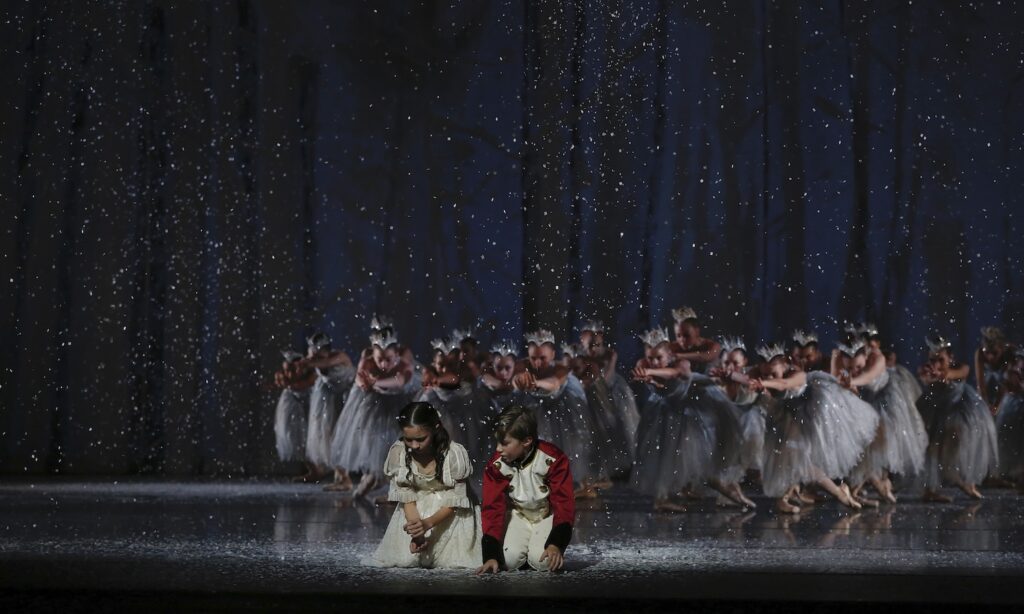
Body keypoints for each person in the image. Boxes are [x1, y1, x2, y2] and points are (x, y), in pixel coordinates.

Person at [750, 343, 878, 514]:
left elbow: (782, 384)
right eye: (765, 374)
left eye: (773, 374)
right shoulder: (759, 375)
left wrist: (764, 383)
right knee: (790, 460)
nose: (768, 377)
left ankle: (833, 493)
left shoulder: (797, 375)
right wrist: (731, 375)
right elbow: (747, 379)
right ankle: (793, 495)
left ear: (785, 366)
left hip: (806, 415)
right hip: (783, 416)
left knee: (798, 460)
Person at [365, 402, 481, 568]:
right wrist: (416, 530)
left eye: (420, 439)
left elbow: (456, 500)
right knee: (406, 560)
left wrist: (428, 523)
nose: (414, 446)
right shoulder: (399, 452)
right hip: (415, 511)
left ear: (435, 428)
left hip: (449, 512)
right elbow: (406, 496)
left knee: (453, 561)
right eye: (408, 439)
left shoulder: (453, 454)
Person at [476, 405, 575, 574]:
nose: (498, 449)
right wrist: (491, 555)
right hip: (518, 515)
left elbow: (564, 502)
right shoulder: (496, 465)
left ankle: (536, 549)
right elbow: (492, 507)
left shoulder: (552, 458)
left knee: (543, 562)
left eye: (505, 443)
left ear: (527, 441)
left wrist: (555, 544)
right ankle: (523, 551)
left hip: (546, 516)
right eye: (497, 442)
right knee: (507, 560)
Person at [329, 326, 415, 498]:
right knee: (372, 442)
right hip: (374, 406)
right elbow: (360, 380)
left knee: (397, 446)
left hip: (398, 407)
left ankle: (397, 488)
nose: (383, 364)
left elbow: (399, 382)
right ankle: (370, 476)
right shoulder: (367, 361)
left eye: (388, 359)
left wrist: (376, 382)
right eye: (379, 359)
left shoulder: (404, 365)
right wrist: (365, 383)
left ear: (396, 354)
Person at [918, 335, 998, 502]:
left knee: (956, 444)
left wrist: (941, 375)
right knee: (931, 446)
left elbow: (954, 374)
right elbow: (925, 377)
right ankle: (930, 489)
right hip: (937, 410)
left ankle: (964, 481)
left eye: (941, 359)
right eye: (933, 359)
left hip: (960, 410)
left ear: (950, 358)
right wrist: (929, 376)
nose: (936, 363)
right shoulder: (928, 369)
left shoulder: (961, 368)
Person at [300, 333, 356, 489]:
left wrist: (306, 361)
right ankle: (341, 477)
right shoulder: (317, 361)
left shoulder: (338, 356)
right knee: (329, 436)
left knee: (344, 436)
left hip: (351, 396)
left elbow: (325, 363)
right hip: (334, 397)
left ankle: (345, 479)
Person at [272, 350, 317, 481]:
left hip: (312, 406)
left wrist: (288, 384)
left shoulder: (312, 375)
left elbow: (302, 385)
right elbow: (286, 384)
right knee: (296, 437)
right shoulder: (284, 377)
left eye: (293, 369)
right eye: (287, 370)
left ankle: (323, 469)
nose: (289, 374)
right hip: (293, 405)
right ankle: (313, 469)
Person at [669, 307, 721, 373]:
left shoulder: (711, 346)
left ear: (697, 331)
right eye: (678, 336)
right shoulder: (673, 347)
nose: (682, 340)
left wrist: (678, 356)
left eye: (686, 335)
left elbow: (707, 356)